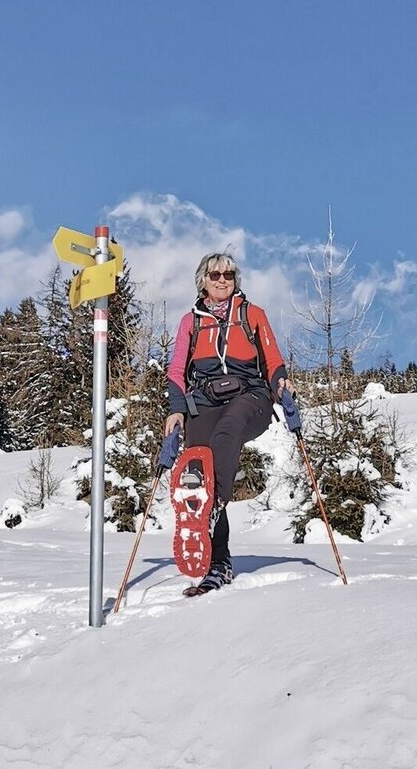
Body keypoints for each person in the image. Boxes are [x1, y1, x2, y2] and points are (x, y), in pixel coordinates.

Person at [163, 252, 291, 592]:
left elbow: (273, 359)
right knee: (198, 467)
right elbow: (177, 369)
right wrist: (177, 409)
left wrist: (281, 384)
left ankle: (212, 507)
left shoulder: (252, 315)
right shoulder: (190, 322)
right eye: (215, 274)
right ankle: (218, 564)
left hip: (251, 396)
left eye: (229, 275)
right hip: (205, 400)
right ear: (202, 280)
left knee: (227, 431)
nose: (222, 280)